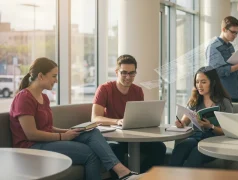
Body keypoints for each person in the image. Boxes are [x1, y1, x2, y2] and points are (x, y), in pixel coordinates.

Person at [9, 57, 141, 180]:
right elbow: (31, 134)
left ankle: (122, 171)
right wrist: (62, 137)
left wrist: (68, 131)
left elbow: (47, 128)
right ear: (41, 76)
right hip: (31, 147)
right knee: (90, 153)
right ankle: (123, 173)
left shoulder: (44, 98)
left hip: (45, 141)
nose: (56, 80)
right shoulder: (24, 98)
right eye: (54, 76)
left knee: (91, 132)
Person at [91, 54, 166, 173]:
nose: (128, 77)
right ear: (117, 72)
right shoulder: (105, 89)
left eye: (132, 73)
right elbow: (95, 118)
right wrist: (117, 121)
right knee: (116, 149)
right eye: (124, 73)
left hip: (132, 135)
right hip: (114, 136)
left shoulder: (137, 90)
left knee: (159, 147)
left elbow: (139, 116)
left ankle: (141, 176)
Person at [169, 66, 233, 167]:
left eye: (203, 82)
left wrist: (211, 126)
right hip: (197, 137)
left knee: (196, 154)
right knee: (180, 148)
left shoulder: (223, 102)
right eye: (197, 82)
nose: (199, 86)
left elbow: (230, 130)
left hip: (216, 140)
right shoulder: (195, 99)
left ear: (213, 83)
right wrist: (181, 123)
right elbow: (185, 120)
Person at [206, 16, 238, 102]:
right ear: (224, 29)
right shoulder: (213, 47)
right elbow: (216, 72)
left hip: (235, 92)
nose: (235, 35)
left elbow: (233, 66)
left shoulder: (230, 46)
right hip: (223, 95)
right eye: (233, 32)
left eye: (237, 32)